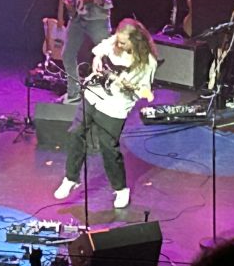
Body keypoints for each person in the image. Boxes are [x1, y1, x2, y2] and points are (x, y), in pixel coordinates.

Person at [53, 17, 156, 209]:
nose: (119, 44)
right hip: (93, 95)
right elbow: (99, 49)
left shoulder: (147, 62)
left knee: (108, 147)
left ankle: (120, 189)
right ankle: (71, 178)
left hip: (115, 106)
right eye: (118, 40)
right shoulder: (113, 41)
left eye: (123, 42)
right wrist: (98, 59)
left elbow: (142, 90)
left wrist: (129, 87)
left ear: (136, 41)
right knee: (76, 132)